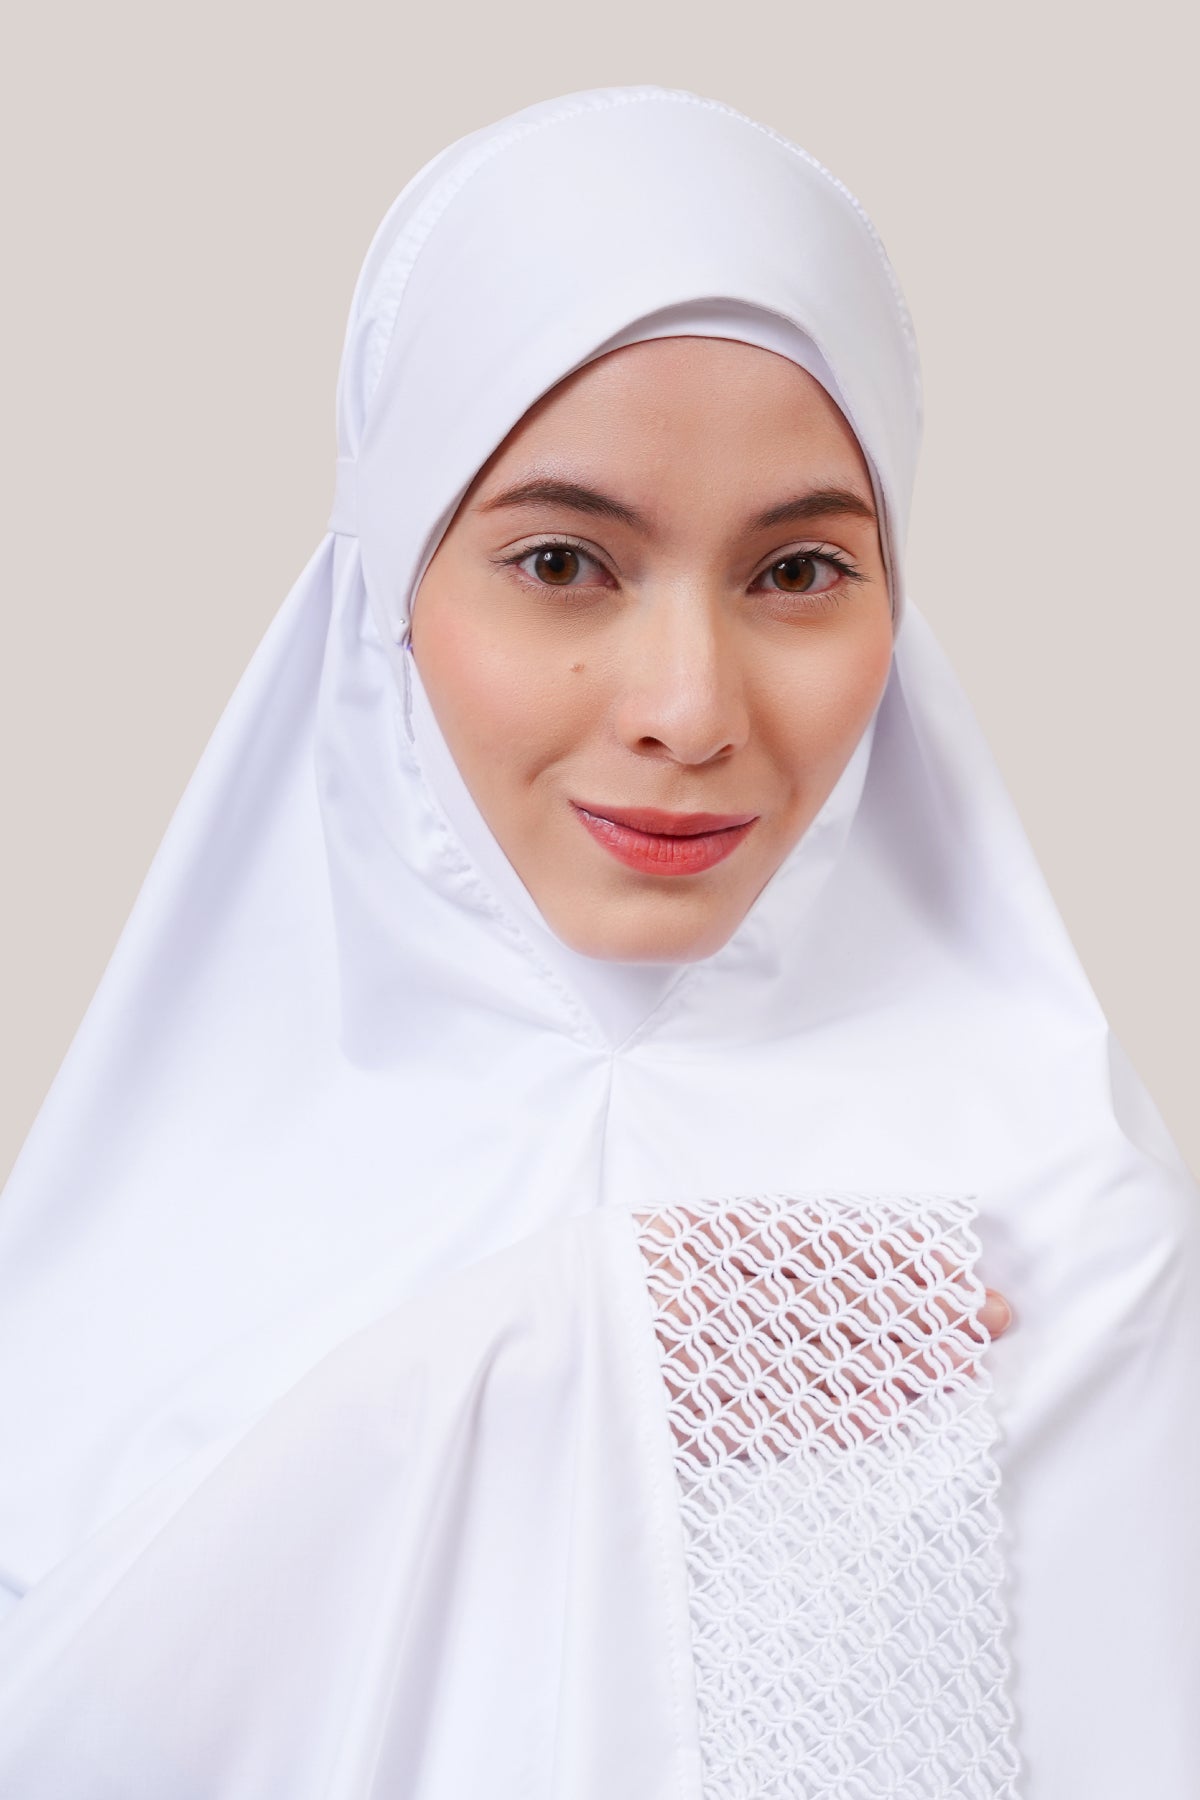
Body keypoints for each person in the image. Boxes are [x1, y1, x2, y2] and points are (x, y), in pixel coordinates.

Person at [0, 83, 1195, 1798]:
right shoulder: (161, 1226)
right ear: (388, 587)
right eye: (563, 560)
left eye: (798, 572)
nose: (688, 709)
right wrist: (556, 1352)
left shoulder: (1073, 1250)